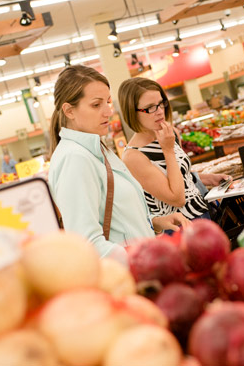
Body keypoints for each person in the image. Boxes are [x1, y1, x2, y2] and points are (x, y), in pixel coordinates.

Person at [48, 65, 189, 263]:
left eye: (107, 102)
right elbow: (87, 242)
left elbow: (115, 221)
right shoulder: (75, 159)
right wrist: (143, 262)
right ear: (69, 110)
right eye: (96, 105)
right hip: (130, 274)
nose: (108, 111)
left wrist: (155, 223)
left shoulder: (97, 149)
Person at [118, 77, 231, 223]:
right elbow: (177, 198)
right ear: (132, 112)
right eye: (150, 107)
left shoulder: (171, 134)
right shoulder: (134, 156)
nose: (159, 111)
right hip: (180, 229)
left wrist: (209, 178)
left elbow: (181, 176)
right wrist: (168, 150)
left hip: (204, 214)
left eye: (160, 104)